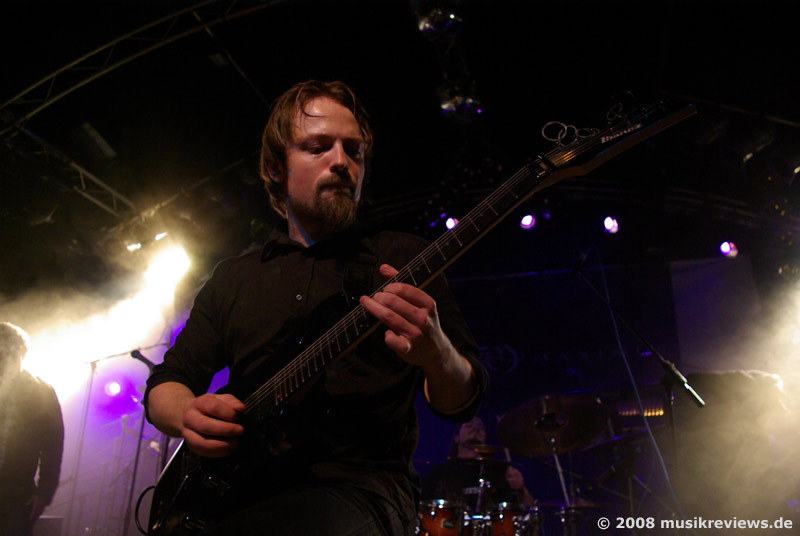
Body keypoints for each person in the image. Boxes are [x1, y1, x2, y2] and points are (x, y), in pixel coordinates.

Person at [144, 80, 488, 535]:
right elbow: (166, 384)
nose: (342, 161)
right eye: (318, 147)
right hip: (234, 495)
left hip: (365, 492)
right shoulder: (234, 276)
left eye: (354, 150)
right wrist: (188, 412)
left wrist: (438, 353)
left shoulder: (405, 258)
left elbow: (462, 400)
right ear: (275, 168)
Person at [0, 322, 65, 536]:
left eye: (7, 354)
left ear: (20, 353)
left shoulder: (41, 392)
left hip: (17, 498)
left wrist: (44, 493)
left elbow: (53, 448)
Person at [421, 416, 535, 512]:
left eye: (481, 427)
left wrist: (520, 488)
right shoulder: (439, 472)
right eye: (469, 425)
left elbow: (529, 509)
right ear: (456, 437)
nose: (476, 429)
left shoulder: (498, 472)